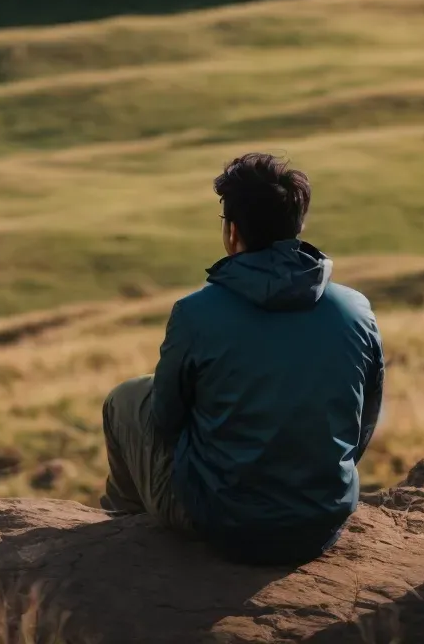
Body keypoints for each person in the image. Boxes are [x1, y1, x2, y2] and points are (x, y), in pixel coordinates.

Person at [101, 152, 385, 566]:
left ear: (233, 233)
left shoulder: (196, 313)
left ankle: (119, 540)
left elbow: (164, 419)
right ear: (298, 225)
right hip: (321, 522)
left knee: (126, 397)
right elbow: (365, 419)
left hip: (222, 525)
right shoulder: (356, 308)